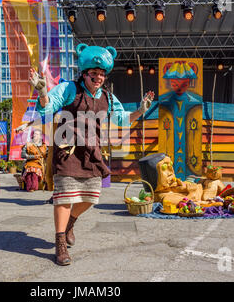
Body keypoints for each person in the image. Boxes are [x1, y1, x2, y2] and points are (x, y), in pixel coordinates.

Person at [29, 44, 155, 266]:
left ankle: (70, 224)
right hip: (67, 151)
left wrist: (141, 110)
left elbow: (121, 119)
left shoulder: (107, 96)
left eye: (101, 74)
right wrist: (41, 92)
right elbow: (47, 109)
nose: (98, 77)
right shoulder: (69, 88)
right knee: (65, 197)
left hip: (92, 152)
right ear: (84, 73)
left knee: (90, 198)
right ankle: (60, 243)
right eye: (94, 73)